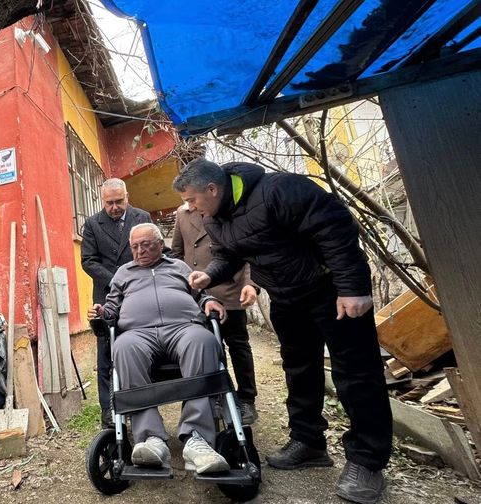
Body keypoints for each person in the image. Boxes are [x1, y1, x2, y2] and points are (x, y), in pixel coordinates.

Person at [181, 158, 391, 504]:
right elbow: (229, 255)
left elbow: (335, 227)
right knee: (299, 369)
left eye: (193, 199)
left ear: (212, 189)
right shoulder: (216, 219)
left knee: (356, 374)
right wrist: (210, 275)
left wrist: (351, 287)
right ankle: (308, 441)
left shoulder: (279, 190)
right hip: (287, 299)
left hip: (329, 291)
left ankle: (367, 461)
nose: (191, 207)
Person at [88, 223, 229, 473]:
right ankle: (151, 439)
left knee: (204, 341)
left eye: (146, 245)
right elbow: (111, 308)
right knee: (123, 347)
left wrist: (209, 301)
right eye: (135, 246)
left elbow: (200, 294)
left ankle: (197, 439)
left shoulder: (179, 267)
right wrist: (101, 312)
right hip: (138, 333)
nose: (139, 251)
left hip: (183, 327)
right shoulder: (123, 273)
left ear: (159, 244)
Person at [169, 196, 260, 425]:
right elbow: (176, 254)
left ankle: (246, 399)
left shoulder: (228, 211)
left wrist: (251, 284)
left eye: (191, 198)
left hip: (231, 290)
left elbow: (247, 253)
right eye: (184, 200)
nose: (189, 205)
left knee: (238, 345)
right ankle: (218, 395)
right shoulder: (182, 214)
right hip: (198, 294)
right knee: (210, 348)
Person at [81, 178, 152, 428]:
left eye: (118, 201)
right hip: (106, 297)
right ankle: (109, 411)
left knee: (139, 348)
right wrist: (117, 281)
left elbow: (153, 253)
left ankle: (140, 405)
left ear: (127, 197)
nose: (114, 207)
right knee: (106, 355)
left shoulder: (142, 217)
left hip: (140, 295)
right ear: (103, 201)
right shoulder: (92, 224)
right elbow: (88, 260)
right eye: (109, 203)